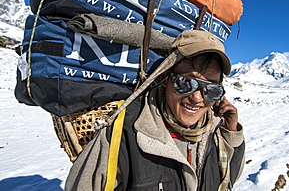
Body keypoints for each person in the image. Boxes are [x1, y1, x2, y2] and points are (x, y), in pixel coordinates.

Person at [65, 30, 245, 191]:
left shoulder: (215, 131)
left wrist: (231, 134)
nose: (197, 98)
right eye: (186, 83)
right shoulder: (124, 132)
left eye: (211, 89)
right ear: (165, 78)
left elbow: (227, 180)